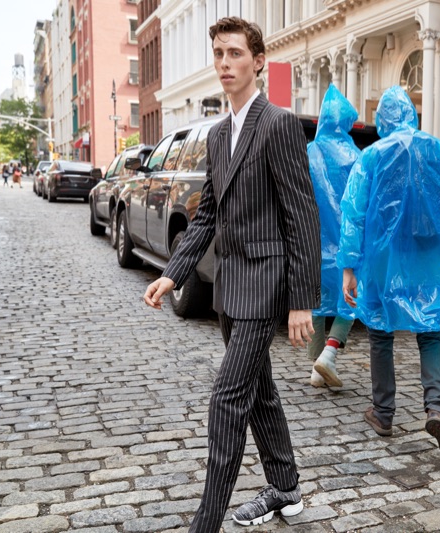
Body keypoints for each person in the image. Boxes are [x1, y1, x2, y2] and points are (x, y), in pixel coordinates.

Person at [142, 16, 321, 531]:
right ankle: (285, 488)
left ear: (258, 61)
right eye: (219, 53)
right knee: (259, 392)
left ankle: (206, 522)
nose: (225, 63)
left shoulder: (279, 124)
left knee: (226, 400)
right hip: (229, 287)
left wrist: (301, 299)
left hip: (266, 287)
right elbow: (208, 215)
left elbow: (301, 215)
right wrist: (174, 273)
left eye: (235, 53)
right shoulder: (219, 135)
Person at [338, 86, 440, 456]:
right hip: (429, 251)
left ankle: (383, 412)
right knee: (430, 328)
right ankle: (437, 407)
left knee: (380, 329)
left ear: (382, 120)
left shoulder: (372, 156)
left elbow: (353, 213)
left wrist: (348, 266)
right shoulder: (438, 149)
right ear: (412, 114)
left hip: (382, 256)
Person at [306, 84, 359, 388]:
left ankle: (316, 369)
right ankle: (329, 352)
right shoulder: (354, 155)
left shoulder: (308, 152)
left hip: (314, 243)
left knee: (316, 304)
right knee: (350, 300)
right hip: (346, 246)